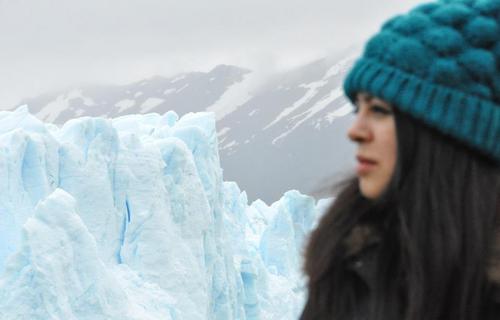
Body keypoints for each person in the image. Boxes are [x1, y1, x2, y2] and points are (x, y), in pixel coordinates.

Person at [299, 0, 500, 319]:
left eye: (378, 110)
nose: (355, 131)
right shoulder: (350, 267)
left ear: (450, 131)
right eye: (357, 109)